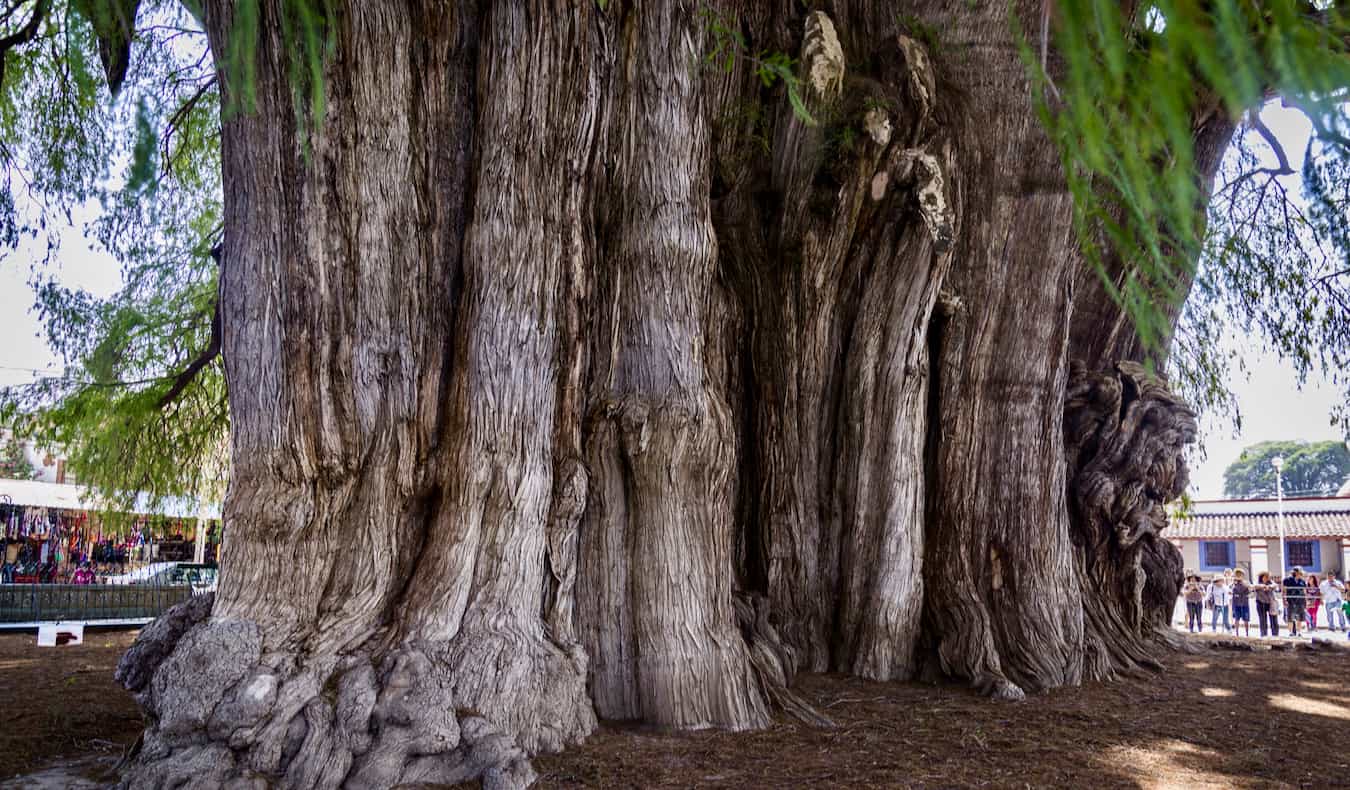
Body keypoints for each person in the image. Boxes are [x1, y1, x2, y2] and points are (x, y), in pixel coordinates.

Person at [1283, 567, 1309, 638]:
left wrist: (1306, 601)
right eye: (1300, 572)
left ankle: (1299, 632)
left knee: (1299, 618)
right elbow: (1284, 590)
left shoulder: (1302, 581)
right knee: (1290, 617)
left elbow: (1304, 592)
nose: (1301, 574)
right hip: (1290, 601)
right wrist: (1284, 600)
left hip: (1300, 601)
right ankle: (1291, 632)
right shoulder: (1287, 580)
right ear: (1296, 572)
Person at [1255, 571, 1281, 638]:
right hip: (1261, 603)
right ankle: (1264, 634)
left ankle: (1275, 634)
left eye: (1268, 577)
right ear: (1262, 577)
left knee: (1273, 619)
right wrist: (1262, 586)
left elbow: (1275, 586)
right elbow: (1254, 586)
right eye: (1265, 577)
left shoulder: (1271, 583)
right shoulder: (1258, 583)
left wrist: (1269, 587)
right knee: (1263, 620)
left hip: (1271, 604)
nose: (1267, 578)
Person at [1230, 569, 1252, 637]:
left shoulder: (1246, 582)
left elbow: (1250, 590)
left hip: (1245, 603)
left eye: (1240, 574)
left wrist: (1245, 585)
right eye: (1237, 574)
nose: (1239, 576)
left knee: (1246, 619)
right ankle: (1237, 634)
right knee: (1236, 619)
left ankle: (1247, 634)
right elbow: (1230, 590)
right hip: (1236, 604)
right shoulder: (1233, 583)